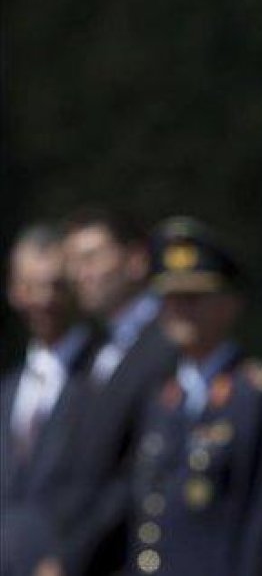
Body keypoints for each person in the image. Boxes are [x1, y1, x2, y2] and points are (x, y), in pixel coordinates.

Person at [126, 217, 262, 576]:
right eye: (171, 298)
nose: (180, 309)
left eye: (194, 297)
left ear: (230, 303)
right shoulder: (161, 396)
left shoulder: (254, 397)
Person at [35, 209, 179, 576]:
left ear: (135, 261)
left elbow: (136, 473)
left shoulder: (165, 346)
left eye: (91, 258)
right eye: (73, 262)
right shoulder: (95, 351)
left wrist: (71, 558)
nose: (79, 273)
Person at [1, 223, 99, 576]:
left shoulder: (102, 378)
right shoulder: (9, 389)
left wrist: (68, 558)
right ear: (14, 291)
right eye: (30, 286)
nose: (43, 299)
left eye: (55, 285)